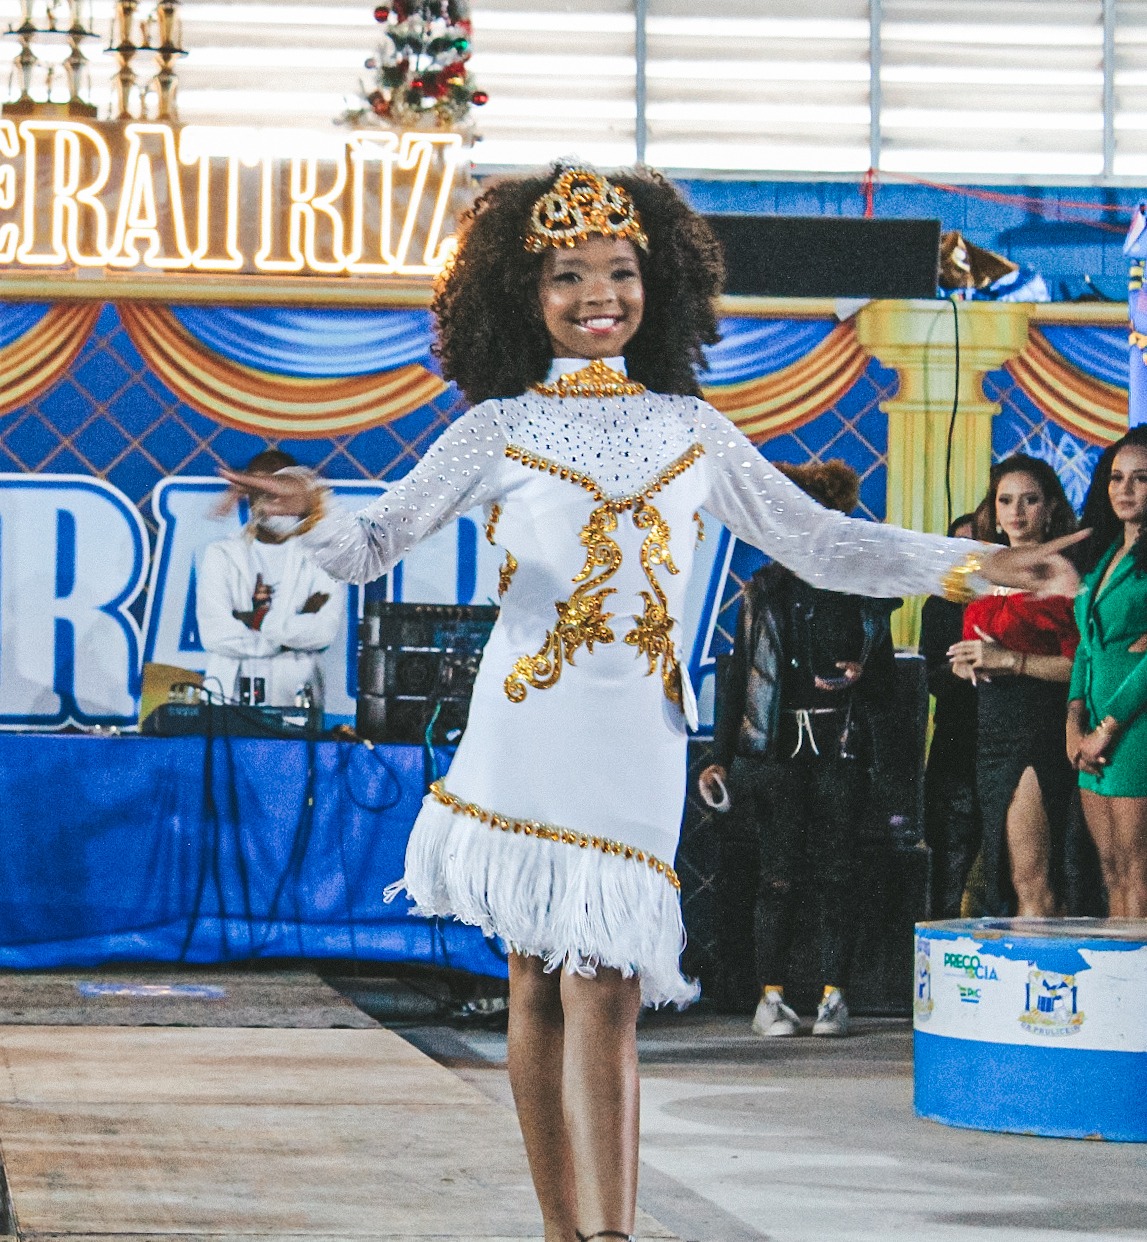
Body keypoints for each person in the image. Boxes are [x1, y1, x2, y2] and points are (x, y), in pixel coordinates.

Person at [219, 164, 1081, 1242]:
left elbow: (820, 543)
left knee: (608, 981)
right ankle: (569, 1231)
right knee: (537, 976)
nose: (599, 295)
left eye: (620, 271)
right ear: (521, 295)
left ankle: (611, 1233)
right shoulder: (495, 428)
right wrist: (309, 514)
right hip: (526, 731)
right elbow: (372, 546)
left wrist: (973, 566)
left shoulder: (691, 428)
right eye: (568, 275)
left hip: (636, 740)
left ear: (655, 284)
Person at [702, 461, 897, 1039]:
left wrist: (862, 673)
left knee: (838, 875)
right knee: (777, 876)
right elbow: (738, 677)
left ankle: (834, 997)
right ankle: (772, 998)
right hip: (775, 754)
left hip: (840, 749)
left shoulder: (861, 591)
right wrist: (720, 756)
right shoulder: (764, 589)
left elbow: (889, 686)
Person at [948, 456, 1079, 917]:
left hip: (1037, 727)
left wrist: (1010, 661)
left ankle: (1038, 963)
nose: (1016, 512)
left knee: (1032, 879)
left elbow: (1082, 666)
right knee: (1006, 876)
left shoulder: (1061, 574)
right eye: (1006, 501)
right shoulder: (986, 570)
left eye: (1030, 500)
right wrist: (968, 663)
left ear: (1051, 508)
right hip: (990, 728)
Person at [1068, 427, 1147, 917]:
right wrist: (1074, 723)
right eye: (1117, 477)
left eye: (1141, 478)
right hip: (1093, 728)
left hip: (1134, 728)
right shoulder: (1103, 554)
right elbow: (1086, 645)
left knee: (1137, 873)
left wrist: (1108, 728)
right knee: (1111, 869)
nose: (1125, 489)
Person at [198, 450, 345, 711]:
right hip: (226, 700)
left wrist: (255, 619)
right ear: (250, 495)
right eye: (264, 489)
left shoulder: (326, 555)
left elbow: (323, 633)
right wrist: (291, 633)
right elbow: (215, 635)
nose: (275, 499)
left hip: (297, 702)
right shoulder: (220, 554)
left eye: (282, 488)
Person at [920, 513, 983, 918]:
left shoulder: (1010, 600)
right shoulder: (940, 606)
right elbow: (930, 678)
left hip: (1006, 732)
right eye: (959, 546)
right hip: (956, 738)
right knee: (948, 855)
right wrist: (956, 670)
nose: (969, 555)